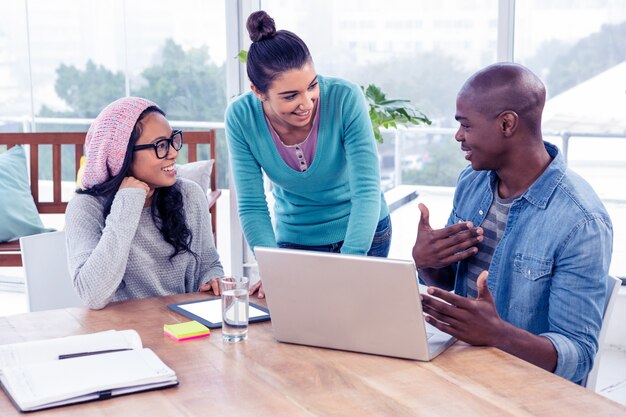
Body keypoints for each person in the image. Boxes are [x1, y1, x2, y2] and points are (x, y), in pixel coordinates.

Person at [412, 63, 613, 383]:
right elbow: (447, 280)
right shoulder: (472, 182)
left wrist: (496, 334)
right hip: (459, 368)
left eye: (466, 125)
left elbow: (579, 355)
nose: (458, 136)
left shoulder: (582, 222)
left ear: (507, 123)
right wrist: (426, 261)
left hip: (525, 388)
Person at [225, 10, 391, 298]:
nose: (307, 103)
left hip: (362, 230)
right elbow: (252, 205)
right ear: (258, 91)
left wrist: (351, 261)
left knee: (353, 326)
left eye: (312, 86)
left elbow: (367, 190)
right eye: (290, 96)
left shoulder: (344, 98)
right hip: (295, 238)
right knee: (295, 331)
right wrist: (271, 267)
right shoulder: (241, 117)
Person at [65, 97, 224, 310]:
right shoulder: (85, 207)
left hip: (181, 330)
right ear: (122, 155)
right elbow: (92, 295)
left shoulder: (189, 194)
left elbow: (209, 264)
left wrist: (213, 279)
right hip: (121, 335)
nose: (174, 152)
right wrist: (128, 202)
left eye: (172, 140)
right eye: (160, 145)